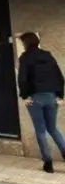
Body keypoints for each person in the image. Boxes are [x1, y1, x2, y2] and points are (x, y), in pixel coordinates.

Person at [17, 32, 65, 174]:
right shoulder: (48, 56)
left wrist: (25, 96)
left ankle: (48, 163)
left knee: (40, 130)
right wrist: (60, 96)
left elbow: (22, 79)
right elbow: (60, 77)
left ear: (25, 43)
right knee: (53, 128)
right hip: (51, 97)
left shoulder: (25, 58)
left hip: (35, 98)